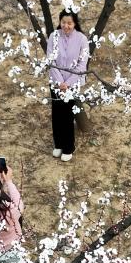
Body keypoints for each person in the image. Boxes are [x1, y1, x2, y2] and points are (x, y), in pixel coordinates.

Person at [46, 9, 89, 162]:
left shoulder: (82, 39)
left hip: (73, 83)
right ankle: (58, 144)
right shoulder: (53, 36)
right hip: (56, 82)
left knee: (67, 115)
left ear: (75, 23)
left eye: (69, 23)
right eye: (63, 22)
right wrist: (59, 83)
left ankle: (68, 147)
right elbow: (51, 61)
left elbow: (82, 64)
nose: (66, 26)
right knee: (57, 114)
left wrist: (68, 83)